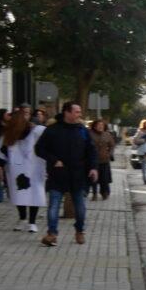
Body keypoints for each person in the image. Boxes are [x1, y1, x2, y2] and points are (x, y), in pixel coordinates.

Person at [35, 101, 98, 247]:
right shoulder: (52, 130)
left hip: (78, 174)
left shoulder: (82, 130)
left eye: (79, 112)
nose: (80, 114)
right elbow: (39, 149)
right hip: (57, 174)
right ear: (67, 113)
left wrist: (93, 168)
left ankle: (79, 231)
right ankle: (52, 234)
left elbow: (91, 151)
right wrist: (54, 160)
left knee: (80, 208)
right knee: (54, 206)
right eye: (77, 112)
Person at [0, 109, 45, 232]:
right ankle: (23, 219)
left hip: (33, 168)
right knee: (20, 194)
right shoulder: (8, 134)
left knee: (34, 194)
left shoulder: (35, 131)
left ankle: (31, 222)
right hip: (17, 169)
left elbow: (49, 136)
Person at [88, 117, 117, 200]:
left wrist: (109, 154)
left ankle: (104, 193)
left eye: (102, 125)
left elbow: (112, 145)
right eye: (98, 125)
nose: (100, 126)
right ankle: (94, 194)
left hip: (104, 159)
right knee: (93, 177)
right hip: (93, 159)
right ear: (94, 126)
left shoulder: (107, 134)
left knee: (104, 178)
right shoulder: (90, 134)